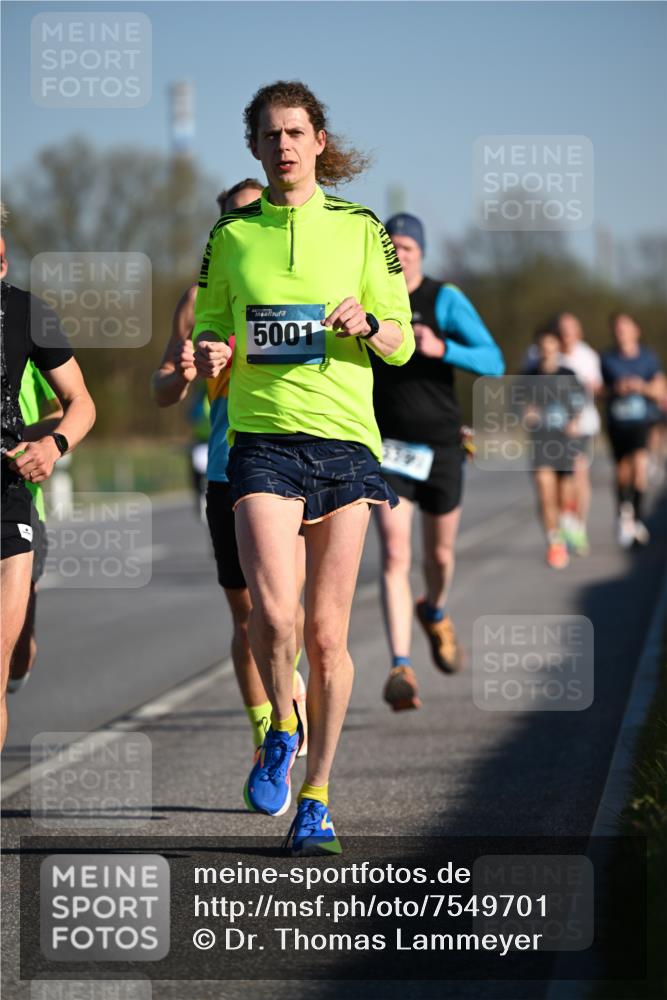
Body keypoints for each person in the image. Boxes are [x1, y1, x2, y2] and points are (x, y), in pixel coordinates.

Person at [193, 80, 414, 854]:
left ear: (318, 139)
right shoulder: (229, 238)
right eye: (268, 135)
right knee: (272, 617)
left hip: (346, 447)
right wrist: (210, 354)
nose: (282, 146)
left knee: (325, 638)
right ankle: (283, 725)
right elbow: (212, 337)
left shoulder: (361, 229)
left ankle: (315, 799)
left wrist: (370, 321)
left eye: (295, 132)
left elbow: (402, 342)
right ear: (253, 147)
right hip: (260, 443)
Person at [152, 178, 308, 764]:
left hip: (293, 460)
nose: (243, 225)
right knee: (250, 621)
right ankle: (267, 728)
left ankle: (288, 711)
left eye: (252, 213)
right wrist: (182, 374)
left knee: (285, 611)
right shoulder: (197, 301)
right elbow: (162, 389)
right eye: (231, 220)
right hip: (227, 470)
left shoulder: (296, 279)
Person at [371, 213, 504, 712]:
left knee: (439, 558)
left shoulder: (443, 298)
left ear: (421, 252)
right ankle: (400, 666)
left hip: (444, 445)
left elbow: (493, 359)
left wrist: (442, 346)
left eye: (407, 245)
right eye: (392, 245)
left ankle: (436, 609)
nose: (399, 253)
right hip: (390, 448)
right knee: (393, 556)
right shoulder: (371, 299)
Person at [1, 213, 96, 746]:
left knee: (12, 657)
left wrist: (53, 444)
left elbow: (80, 402)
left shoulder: (26, 313)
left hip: (9, 495)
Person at [7, 361, 64, 692]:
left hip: (21, 496)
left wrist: (17, 438)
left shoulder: (25, 335)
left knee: (18, 656)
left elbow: (65, 410)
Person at [519, 327, 585, 569]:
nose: (548, 354)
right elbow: (515, 405)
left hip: (564, 441)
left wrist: (574, 420)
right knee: (545, 492)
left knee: (564, 494)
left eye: (552, 349)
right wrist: (526, 412)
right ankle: (554, 542)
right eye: (543, 349)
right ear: (538, 350)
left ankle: (570, 520)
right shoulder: (528, 376)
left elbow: (580, 401)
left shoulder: (568, 373)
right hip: (540, 442)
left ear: (558, 349)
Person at [601, 312, 666, 548]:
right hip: (617, 423)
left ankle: (636, 519)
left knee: (639, 466)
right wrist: (615, 389)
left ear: (636, 330)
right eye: (617, 328)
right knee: (622, 472)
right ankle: (622, 512)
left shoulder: (648, 358)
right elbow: (598, 391)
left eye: (625, 328)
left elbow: (660, 388)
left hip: (642, 421)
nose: (621, 332)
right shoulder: (607, 359)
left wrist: (641, 387)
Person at [550, 312, 602, 556]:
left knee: (579, 473)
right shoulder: (549, 353)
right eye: (562, 329)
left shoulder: (587, 355)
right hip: (553, 427)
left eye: (570, 328)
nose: (566, 333)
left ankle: (579, 526)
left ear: (578, 331)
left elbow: (594, 387)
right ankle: (566, 520)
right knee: (560, 479)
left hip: (581, 425)